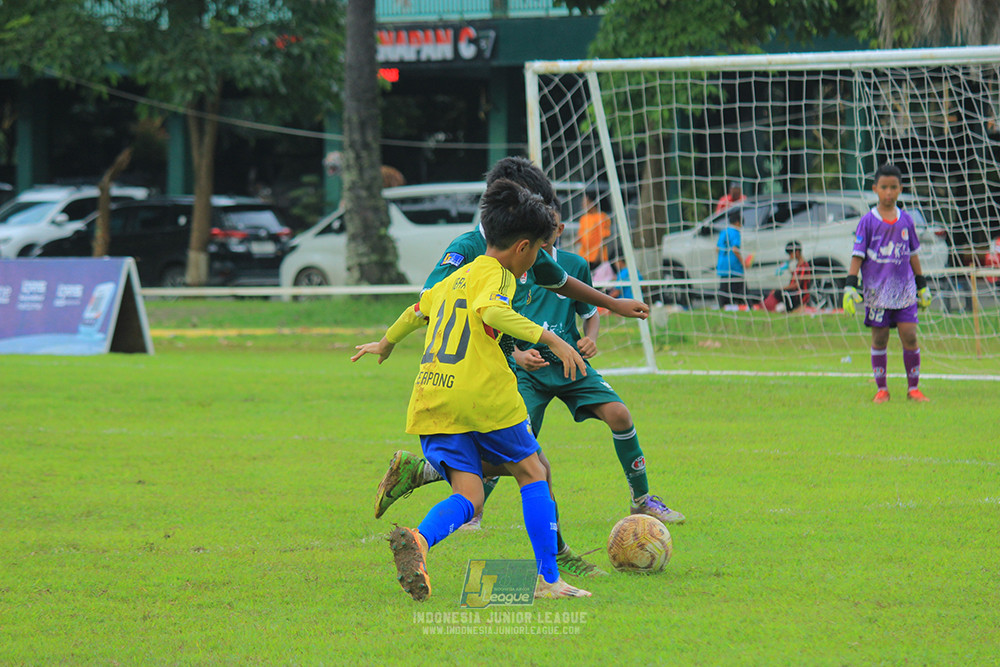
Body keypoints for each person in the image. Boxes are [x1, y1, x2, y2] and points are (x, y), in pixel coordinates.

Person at [372, 157, 652, 578]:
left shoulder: (523, 244)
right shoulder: (470, 250)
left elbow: (556, 279)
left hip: (441, 390)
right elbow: (445, 304)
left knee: (505, 477)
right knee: (533, 468)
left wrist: (611, 304)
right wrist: (528, 345)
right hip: (485, 377)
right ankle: (550, 571)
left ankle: (424, 505)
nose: (545, 235)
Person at [352, 179, 591, 601]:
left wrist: (386, 343)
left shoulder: (454, 277)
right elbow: (492, 310)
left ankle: (419, 541)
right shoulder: (497, 275)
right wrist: (552, 339)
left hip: (433, 395)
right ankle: (548, 580)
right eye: (537, 250)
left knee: (470, 495)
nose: (534, 259)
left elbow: (416, 310)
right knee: (533, 471)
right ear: (522, 247)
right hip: (482, 396)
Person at [842, 163, 932, 403]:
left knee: (910, 335)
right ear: (875, 189)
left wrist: (922, 285)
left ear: (900, 189)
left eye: (893, 187)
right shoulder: (868, 222)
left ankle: (913, 389)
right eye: (884, 187)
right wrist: (850, 285)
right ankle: (882, 389)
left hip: (904, 291)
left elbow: (913, 254)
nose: (889, 193)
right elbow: (857, 255)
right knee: (879, 338)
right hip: (877, 292)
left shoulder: (907, 221)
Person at [761, 241, 811, 312]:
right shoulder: (798, 265)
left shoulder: (803, 266)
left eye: (790, 254)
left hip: (799, 297)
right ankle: (768, 307)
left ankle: (768, 308)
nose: (790, 257)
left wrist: (782, 288)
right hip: (795, 294)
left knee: (778, 293)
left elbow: (796, 285)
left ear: (796, 252)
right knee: (776, 292)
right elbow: (795, 276)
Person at [717, 208, 750, 309]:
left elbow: (717, 248)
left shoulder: (723, 232)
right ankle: (749, 306)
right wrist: (743, 262)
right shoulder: (736, 232)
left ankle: (723, 306)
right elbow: (735, 249)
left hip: (722, 265)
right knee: (741, 288)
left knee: (725, 288)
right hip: (734, 266)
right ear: (737, 222)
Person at [577, 186, 612, 270]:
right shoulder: (583, 218)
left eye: (585, 202)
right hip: (584, 256)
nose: (583, 204)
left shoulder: (602, 217)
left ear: (592, 203)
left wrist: (599, 255)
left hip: (597, 258)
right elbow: (581, 236)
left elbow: (604, 238)